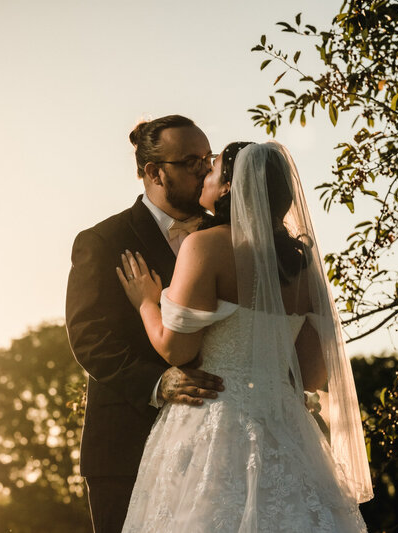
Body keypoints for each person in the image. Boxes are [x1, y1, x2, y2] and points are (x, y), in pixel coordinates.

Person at [117, 141, 372, 532]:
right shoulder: (303, 266)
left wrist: (146, 303)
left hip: (214, 420)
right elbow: (311, 375)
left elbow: (177, 348)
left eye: (213, 168)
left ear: (228, 188)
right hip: (286, 429)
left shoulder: (205, 246)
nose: (204, 173)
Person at [65, 115, 226, 533]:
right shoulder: (102, 241)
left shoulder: (228, 237)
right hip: (126, 446)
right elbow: (89, 338)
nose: (205, 170)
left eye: (208, 159)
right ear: (154, 172)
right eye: (192, 161)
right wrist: (159, 383)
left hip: (217, 443)